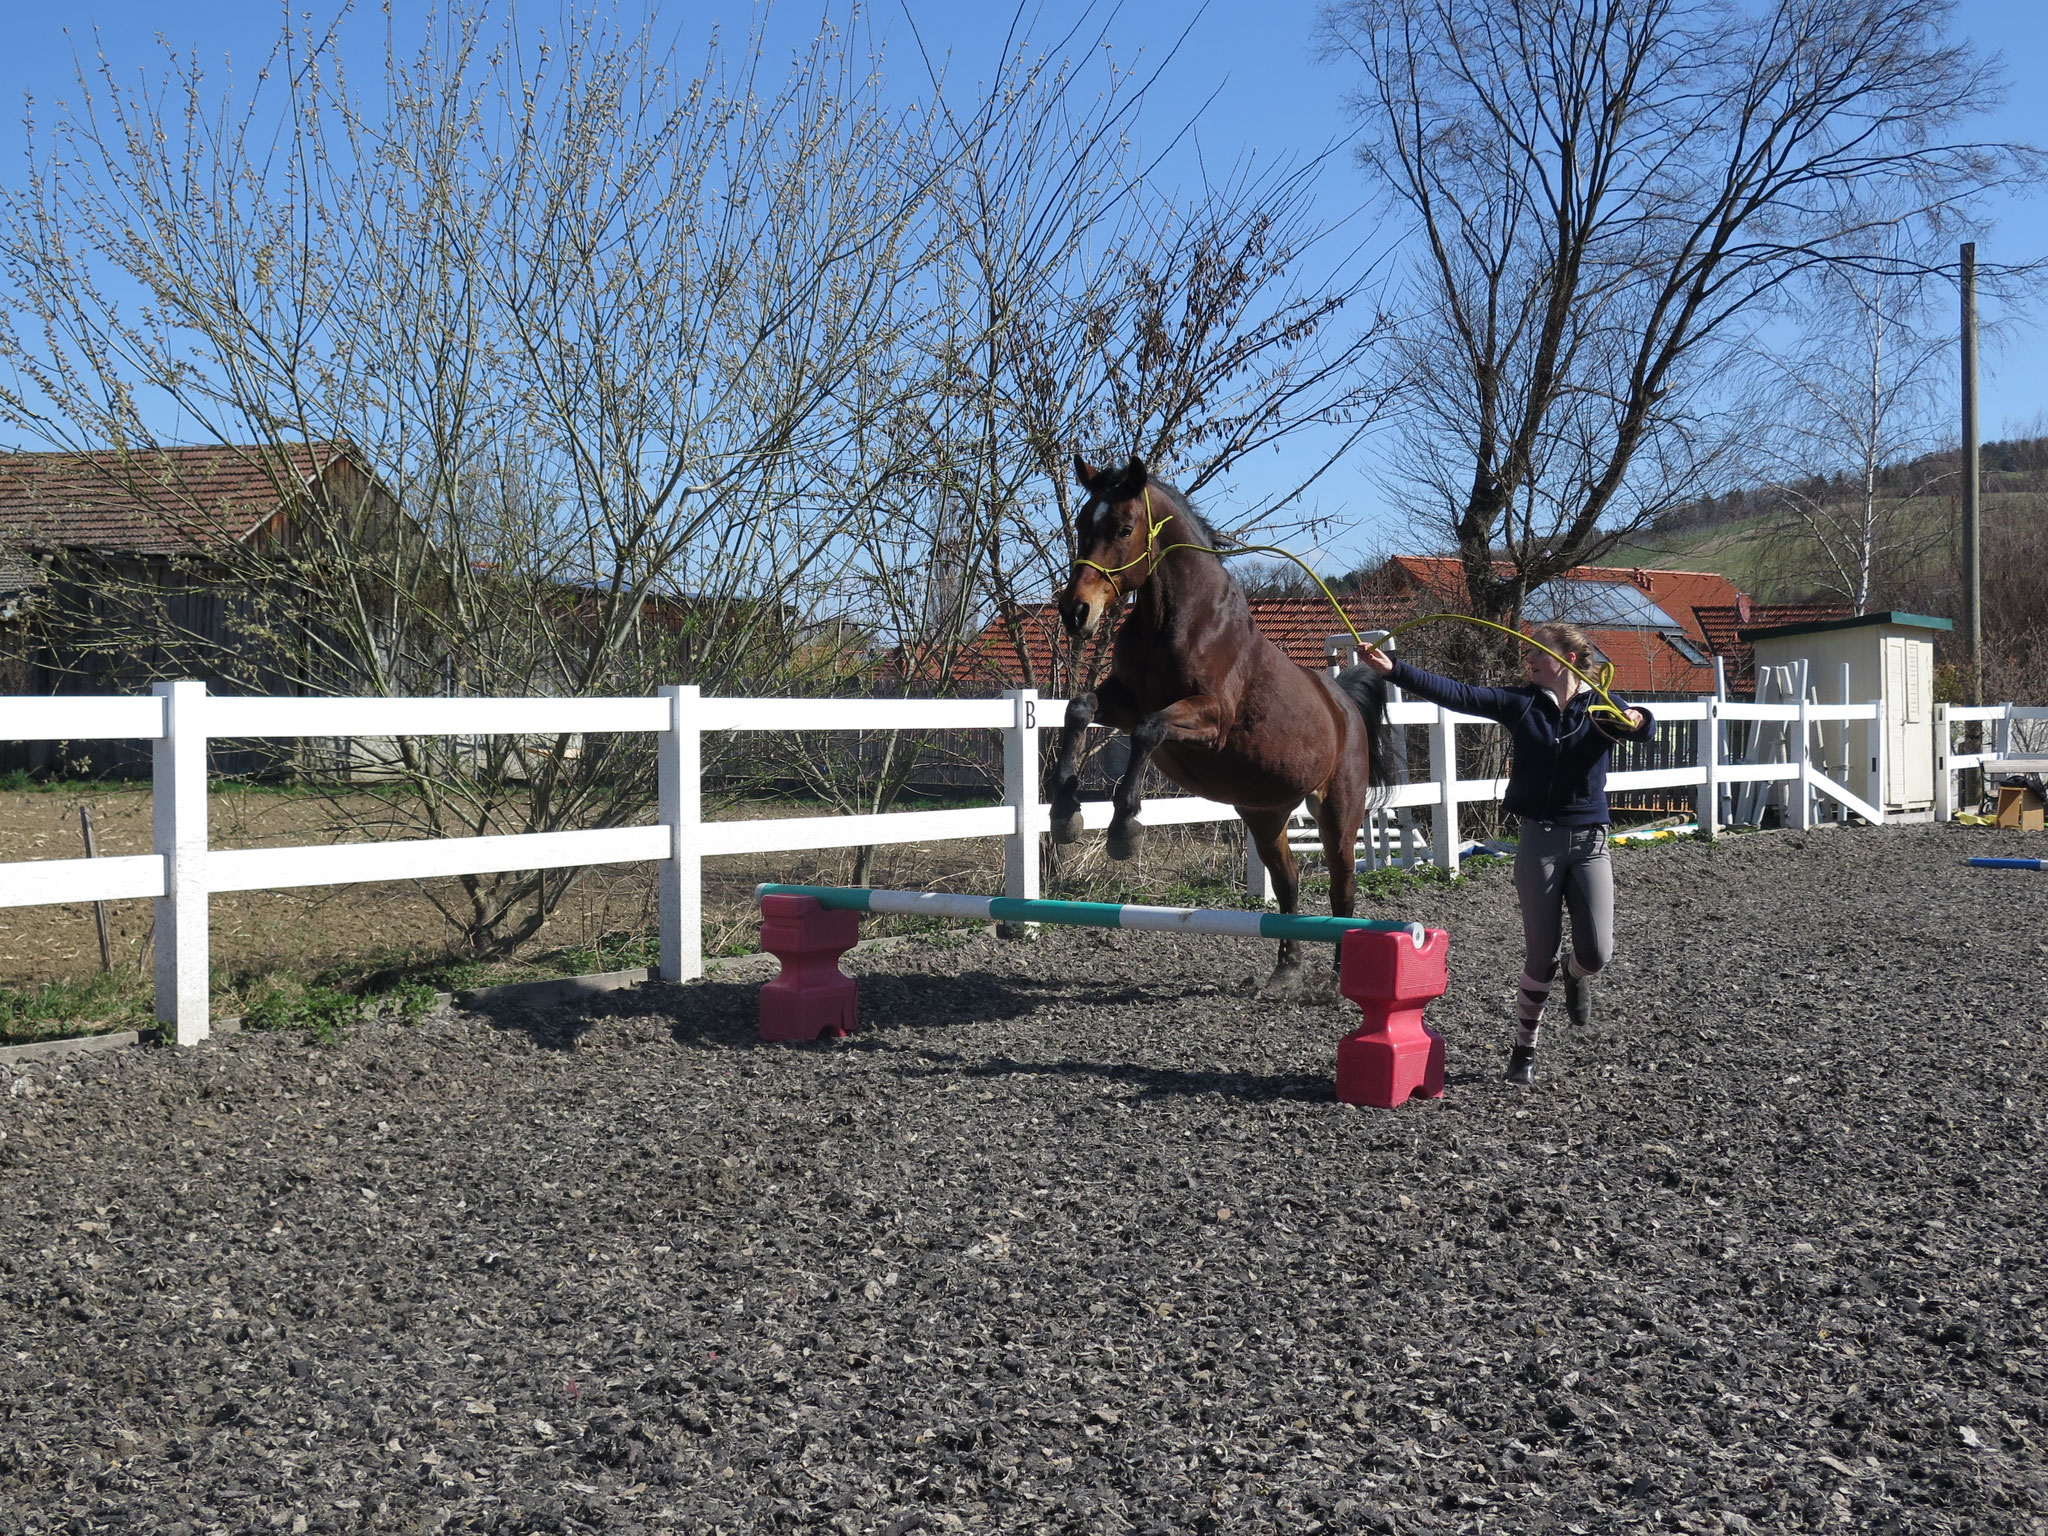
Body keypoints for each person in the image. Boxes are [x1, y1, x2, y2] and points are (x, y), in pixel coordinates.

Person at [1357, 623, 1653, 1086]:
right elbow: (1459, 694)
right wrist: (1394, 670)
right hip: (1539, 842)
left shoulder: (1601, 706)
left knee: (1596, 954)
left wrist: (1639, 718)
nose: (1528, 659)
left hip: (1590, 842)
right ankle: (1524, 1049)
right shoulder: (1522, 703)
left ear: (1569, 659)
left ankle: (1575, 973)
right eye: (1527, 652)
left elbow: (1642, 728)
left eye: (1537, 651)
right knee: (1540, 955)